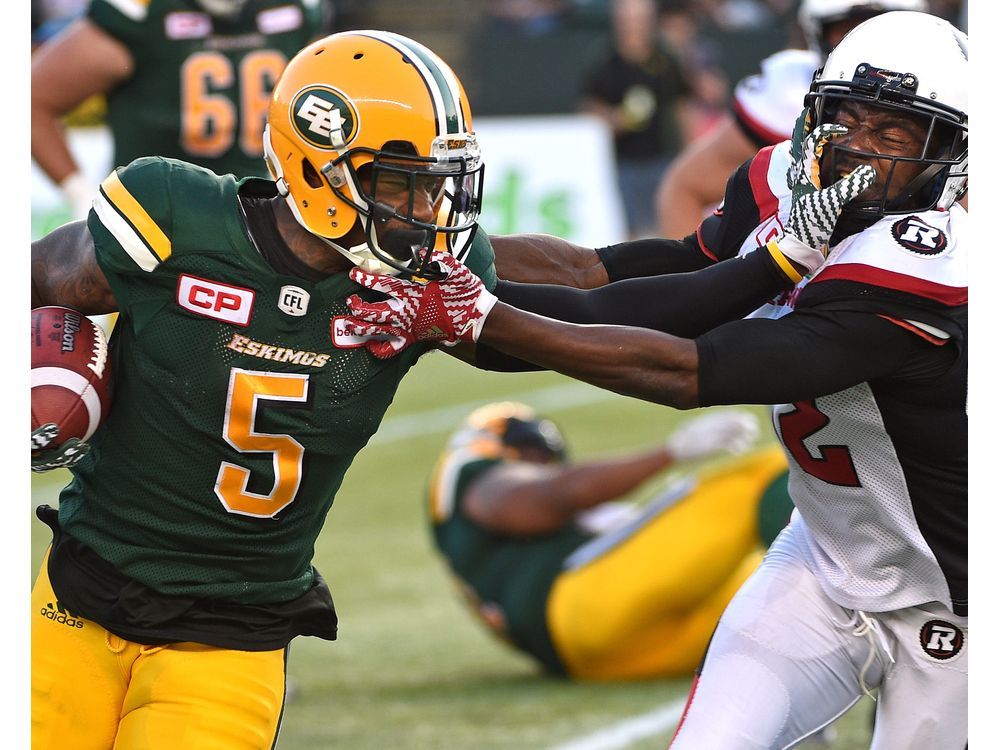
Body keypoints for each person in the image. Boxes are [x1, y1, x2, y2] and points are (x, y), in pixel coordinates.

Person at [28, 27, 822, 748]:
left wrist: (758, 260)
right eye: (401, 183)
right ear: (317, 165)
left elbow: (595, 301)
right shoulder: (175, 221)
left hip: (236, 630)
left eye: (436, 183)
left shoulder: (422, 292)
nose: (427, 210)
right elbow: (34, 277)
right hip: (79, 589)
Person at [339, 12, 968, 747]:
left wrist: (472, 317)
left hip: (957, 596)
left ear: (956, 156)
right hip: (824, 558)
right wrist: (411, 252)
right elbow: (599, 277)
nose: (856, 152)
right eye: (846, 121)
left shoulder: (933, 266)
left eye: (893, 137)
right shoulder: (784, 196)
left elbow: (684, 367)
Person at [428, 401, 795, 681]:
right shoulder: (478, 480)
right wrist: (671, 452)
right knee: (762, 478)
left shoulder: (478, 553)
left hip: (596, 661)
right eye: (533, 451)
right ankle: (851, 575)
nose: (543, 464)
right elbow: (556, 494)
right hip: (579, 604)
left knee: (775, 614)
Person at [654, 0, 929, 239]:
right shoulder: (789, 91)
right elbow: (685, 189)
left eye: (881, 30)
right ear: (817, 33)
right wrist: (702, 293)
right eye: (848, 30)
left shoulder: (944, 97)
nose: (865, 47)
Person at [31, 0, 326, 220]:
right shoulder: (142, 12)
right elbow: (30, 101)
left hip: (265, 211)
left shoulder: (298, 9)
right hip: (156, 217)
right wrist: (80, 194)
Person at [579, 0, 696, 239]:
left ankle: (666, 273)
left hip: (663, 156)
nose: (634, 23)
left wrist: (689, 149)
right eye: (628, 17)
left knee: (666, 223)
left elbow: (682, 104)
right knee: (628, 227)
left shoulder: (665, 56)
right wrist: (615, 119)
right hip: (622, 161)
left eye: (639, 17)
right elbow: (588, 107)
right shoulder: (604, 58)